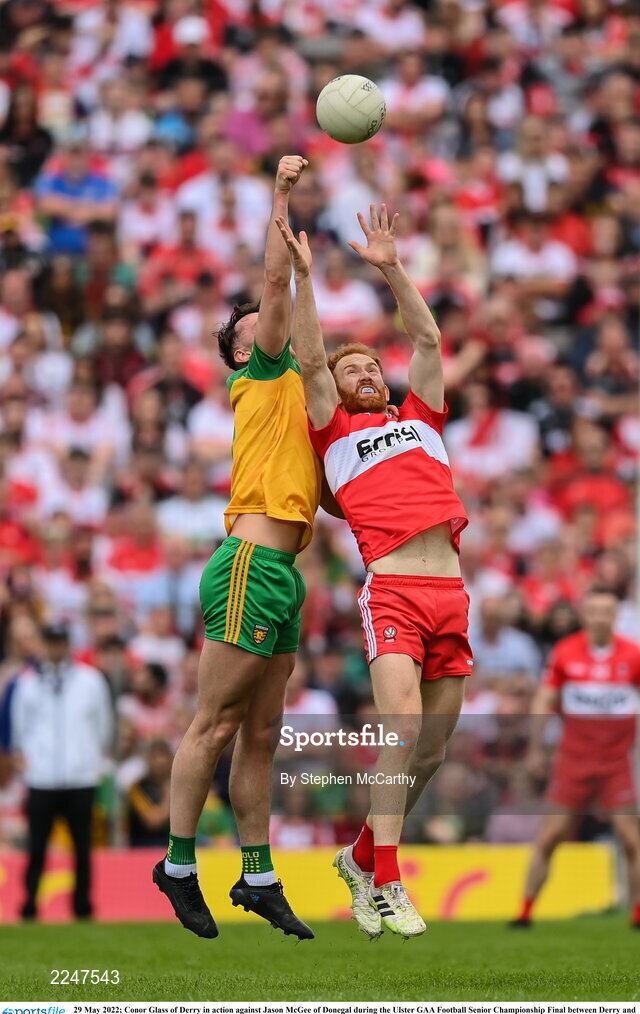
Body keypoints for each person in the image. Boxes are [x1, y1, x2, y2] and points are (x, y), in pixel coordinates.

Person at [276, 205, 472, 939]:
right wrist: (303, 279)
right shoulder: (333, 431)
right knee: (403, 725)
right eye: (346, 366)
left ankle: (361, 856)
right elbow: (307, 355)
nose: (359, 370)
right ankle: (389, 879)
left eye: (367, 365)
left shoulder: (420, 418)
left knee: (434, 749)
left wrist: (390, 267)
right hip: (392, 587)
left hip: (450, 591)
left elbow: (427, 336)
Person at [152, 155, 321, 942]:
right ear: (238, 349)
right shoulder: (258, 375)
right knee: (212, 725)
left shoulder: (299, 392)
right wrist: (282, 196)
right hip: (250, 562)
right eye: (251, 320)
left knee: (260, 734)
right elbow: (277, 282)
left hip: (282, 571)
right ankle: (179, 864)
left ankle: (257, 875)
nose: (264, 315)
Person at [511, 587, 640, 929]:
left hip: (617, 761)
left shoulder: (633, 655)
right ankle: (524, 911)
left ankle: (637, 913)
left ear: (615, 616)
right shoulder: (566, 652)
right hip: (575, 760)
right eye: (594, 610)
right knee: (550, 836)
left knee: (631, 839)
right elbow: (544, 699)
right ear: (585, 615)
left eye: (606, 611)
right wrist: (536, 747)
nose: (599, 617)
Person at [10, 622, 114, 920]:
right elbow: (20, 730)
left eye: (59, 642)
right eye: (50, 642)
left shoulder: (90, 680)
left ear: (67, 644)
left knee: (82, 847)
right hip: (42, 777)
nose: (55, 648)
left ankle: (82, 905)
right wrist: (31, 761)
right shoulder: (28, 683)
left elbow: (104, 726)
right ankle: (30, 903)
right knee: (37, 847)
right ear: (44, 644)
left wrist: (91, 760)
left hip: (80, 776)